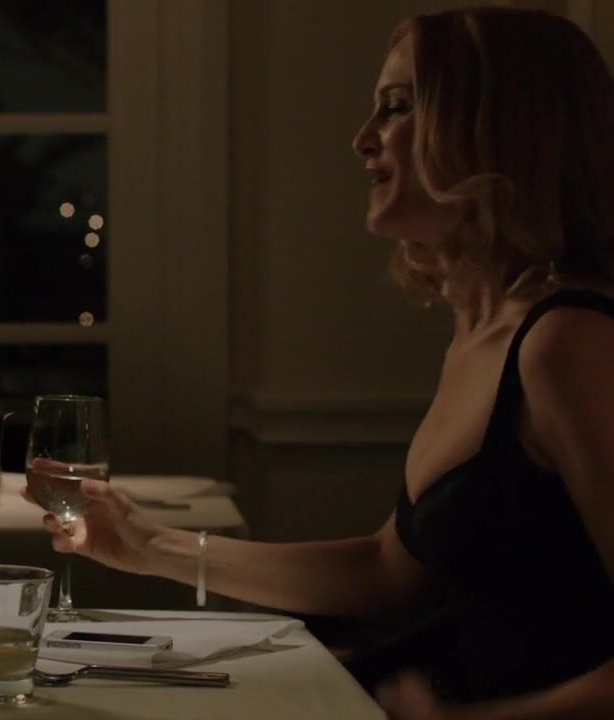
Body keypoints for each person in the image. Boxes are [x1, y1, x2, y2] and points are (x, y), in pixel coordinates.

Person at [30, 8, 613, 718]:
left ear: (499, 129)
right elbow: (389, 571)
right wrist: (151, 544)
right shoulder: (481, 332)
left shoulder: (569, 342)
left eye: (398, 106)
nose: (363, 138)